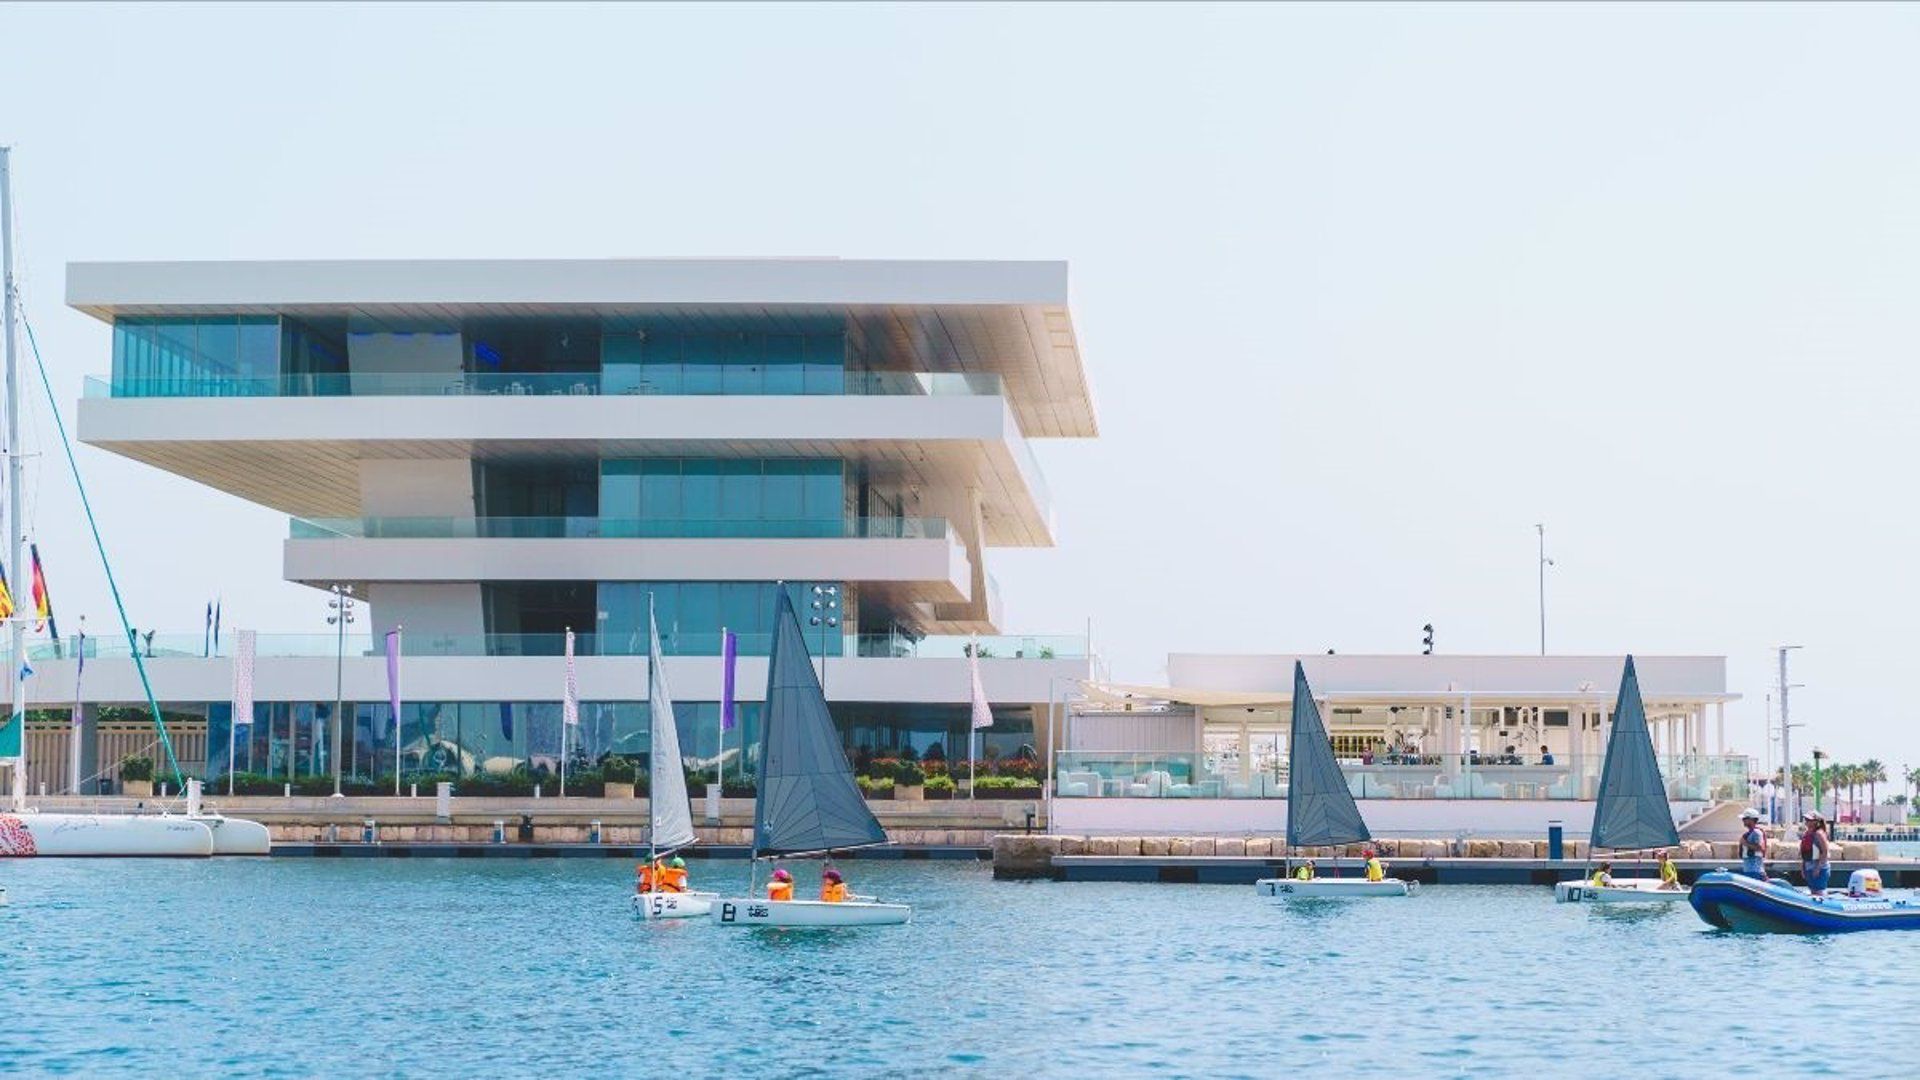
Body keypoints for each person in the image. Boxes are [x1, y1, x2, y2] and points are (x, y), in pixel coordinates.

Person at [1800, 812, 1831, 896]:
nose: (1806, 821)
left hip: (1819, 867)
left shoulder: (1819, 834)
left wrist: (1818, 868)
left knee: (1819, 891)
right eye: (1806, 820)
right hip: (1808, 866)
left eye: (1809, 820)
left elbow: (1825, 852)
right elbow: (1804, 853)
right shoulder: (1806, 833)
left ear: (1815, 821)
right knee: (1813, 890)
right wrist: (1803, 868)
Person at [1738, 808, 1767, 880]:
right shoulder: (1750, 833)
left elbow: (1760, 848)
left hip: (1754, 869)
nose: (1743, 821)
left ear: (1751, 819)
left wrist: (1745, 843)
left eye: (1745, 819)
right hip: (1749, 868)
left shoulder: (1756, 833)